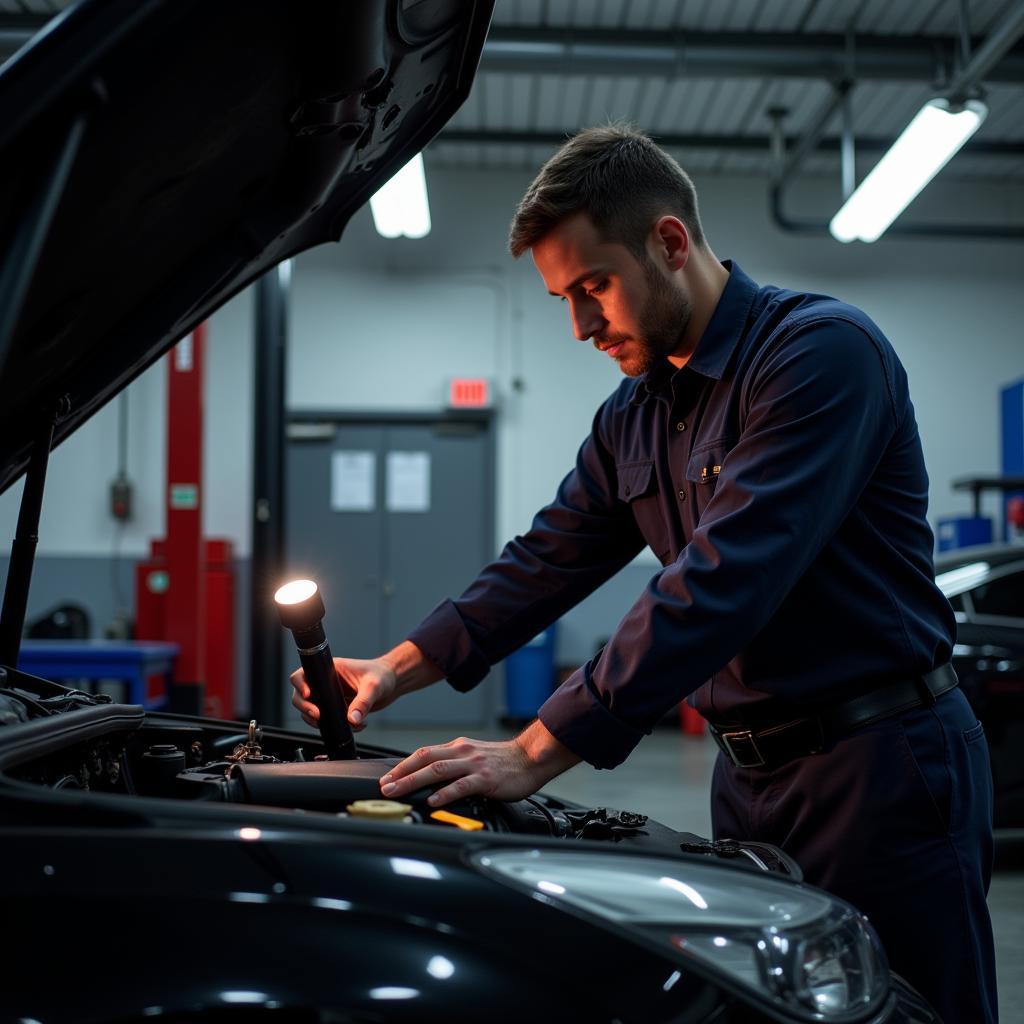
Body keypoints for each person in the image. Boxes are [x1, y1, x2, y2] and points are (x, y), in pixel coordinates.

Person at [291, 125, 997, 1022]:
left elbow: (722, 577)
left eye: (594, 287)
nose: (582, 325)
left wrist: (536, 750)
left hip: (881, 766)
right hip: (747, 779)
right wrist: (398, 665)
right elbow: (547, 557)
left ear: (669, 241)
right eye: (562, 299)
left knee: (916, 1008)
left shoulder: (819, 356)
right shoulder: (635, 414)